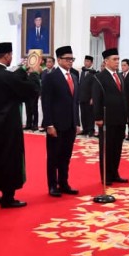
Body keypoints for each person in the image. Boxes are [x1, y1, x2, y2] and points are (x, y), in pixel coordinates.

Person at [0, 42, 40, 208]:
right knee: (10, 157)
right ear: (7, 55)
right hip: (9, 123)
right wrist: (34, 74)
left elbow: (13, 83)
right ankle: (8, 196)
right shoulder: (6, 75)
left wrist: (22, 71)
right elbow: (30, 90)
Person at [41, 46, 80, 198]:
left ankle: (64, 183)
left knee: (66, 156)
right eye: (67, 59)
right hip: (56, 125)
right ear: (59, 60)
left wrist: (76, 122)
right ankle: (52, 185)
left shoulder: (75, 77)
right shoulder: (51, 77)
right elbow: (46, 102)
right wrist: (49, 124)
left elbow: (74, 103)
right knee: (53, 157)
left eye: (72, 59)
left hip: (70, 124)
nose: (70, 62)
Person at [92, 48, 129, 185]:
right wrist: (98, 117)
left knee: (117, 148)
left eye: (118, 59)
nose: (117, 62)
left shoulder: (119, 76)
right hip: (107, 119)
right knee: (107, 148)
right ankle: (106, 176)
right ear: (106, 61)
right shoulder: (99, 77)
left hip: (120, 118)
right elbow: (97, 98)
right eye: (114, 59)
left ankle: (114, 173)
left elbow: (123, 97)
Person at [78, 55, 97, 136]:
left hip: (89, 98)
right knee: (83, 114)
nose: (86, 63)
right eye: (85, 61)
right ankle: (85, 129)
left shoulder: (94, 73)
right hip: (82, 97)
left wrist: (93, 97)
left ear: (91, 63)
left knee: (90, 114)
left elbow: (94, 86)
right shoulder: (82, 72)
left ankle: (91, 130)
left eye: (88, 61)